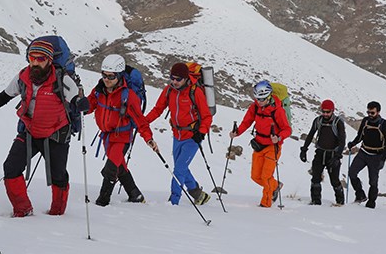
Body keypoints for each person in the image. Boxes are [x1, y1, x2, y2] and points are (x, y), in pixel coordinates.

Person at [0, 39, 88, 217]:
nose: (35, 62)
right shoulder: (23, 77)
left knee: (59, 176)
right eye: (32, 58)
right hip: (30, 131)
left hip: (57, 133)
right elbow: (4, 96)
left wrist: (80, 103)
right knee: (11, 168)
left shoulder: (62, 79)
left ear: (49, 60)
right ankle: (22, 210)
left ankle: (57, 213)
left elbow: (75, 100)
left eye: (40, 59)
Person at [86, 54, 159, 206]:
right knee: (120, 166)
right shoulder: (99, 90)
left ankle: (102, 202)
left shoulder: (128, 96)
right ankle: (135, 195)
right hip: (106, 137)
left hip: (122, 137)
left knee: (110, 169)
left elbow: (140, 121)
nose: (106, 79)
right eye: (104, 75)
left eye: (111, 76)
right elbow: (89, 105)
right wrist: (77, 107)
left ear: (119, 76)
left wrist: (149, 139)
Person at [146, 62, 213, 206]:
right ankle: (198, 194)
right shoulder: (169, 90)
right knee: (180, 167)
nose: (174, 82)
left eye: (178, 79)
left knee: (179, 168)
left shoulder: (195, 91)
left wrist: (201, 133)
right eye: (172, 78)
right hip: (177, 135)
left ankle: (174, 200)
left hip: (192, 137)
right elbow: (158, 109)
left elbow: (207, 116)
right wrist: (144, 122)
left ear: (186, 78)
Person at [228, 80, 292, 208]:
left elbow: (287, 129)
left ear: (268, 96)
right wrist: (237, 132)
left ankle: (265, 205)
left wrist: (279, 138)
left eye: (262, 98)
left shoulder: (277, 111)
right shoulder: (255, 106)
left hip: (273, 146)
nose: (259, 101)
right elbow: (247, 121)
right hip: (259, 144)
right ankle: (276, 186)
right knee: (256, 176)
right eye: (257, 98)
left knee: (266, 176)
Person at [299, 99, 346, 205]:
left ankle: (340, 202)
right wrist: (304, 149)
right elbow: (311, 134)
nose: (325, 114)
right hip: (320, 152)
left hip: (333, 154)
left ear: (332, 111)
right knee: (315, 177)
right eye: (323, 111)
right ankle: (316, 201)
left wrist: (338, 156)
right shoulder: (318, 120)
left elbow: (342, 141)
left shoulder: (338, 122)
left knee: (334, 180)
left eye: (327, 112)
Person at [347, 101, 386, 209]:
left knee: (373, 181)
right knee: (352, 173)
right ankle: (360, 195)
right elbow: (360, 136)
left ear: (378, 112)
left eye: (372, 113)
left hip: (376, 156)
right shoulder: (365, 121)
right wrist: (353, 143)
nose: (370, 115)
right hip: (363, 152)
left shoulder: (385, 125)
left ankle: (371, 203)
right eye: (368, 112)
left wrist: (383, 160)